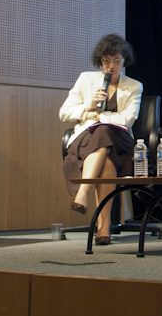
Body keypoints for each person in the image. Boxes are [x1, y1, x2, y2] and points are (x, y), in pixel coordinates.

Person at [59, 35, 142, 245]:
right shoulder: (86, 79)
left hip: (121, 141)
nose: (111, 66)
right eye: (106, 61)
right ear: (100, 61)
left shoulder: (134, 86)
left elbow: (127, 119)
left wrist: (98, 117)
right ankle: (104, 229)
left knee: (104, 131)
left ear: (124, 61)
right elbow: (64, 113)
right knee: (105, 158)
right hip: (87, 140)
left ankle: (83, 192)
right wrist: (88, 106)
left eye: (116, 61)